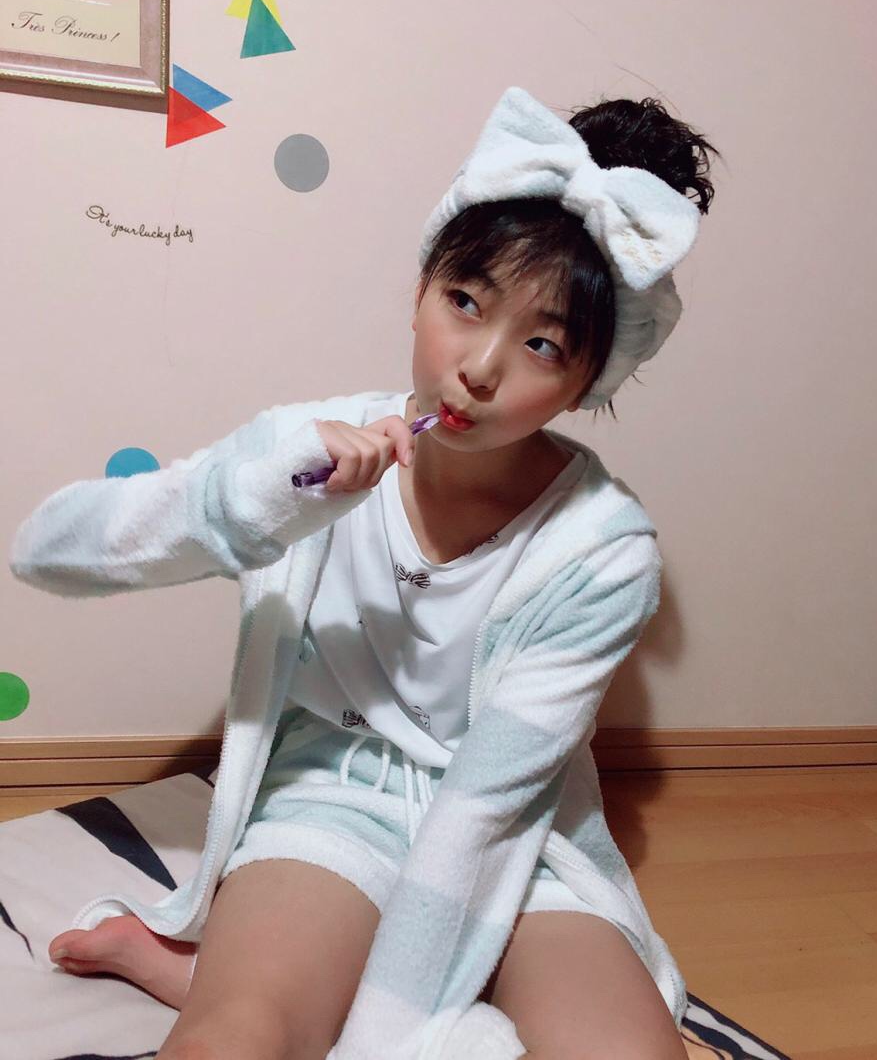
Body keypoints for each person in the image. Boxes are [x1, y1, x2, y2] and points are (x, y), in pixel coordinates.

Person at [10, 86, 720, 1060]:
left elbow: (483, 811)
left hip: (523, 833)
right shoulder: (305, 453)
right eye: (465, 301)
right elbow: (48, 550)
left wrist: (387, 1037)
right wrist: (263, 499)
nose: (479, 367)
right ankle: (218, 982)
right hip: (331, 796)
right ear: (422, 284)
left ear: (586, 380)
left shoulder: (603, 551)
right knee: (237, 1036)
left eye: (543, 343)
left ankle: (205, 974)